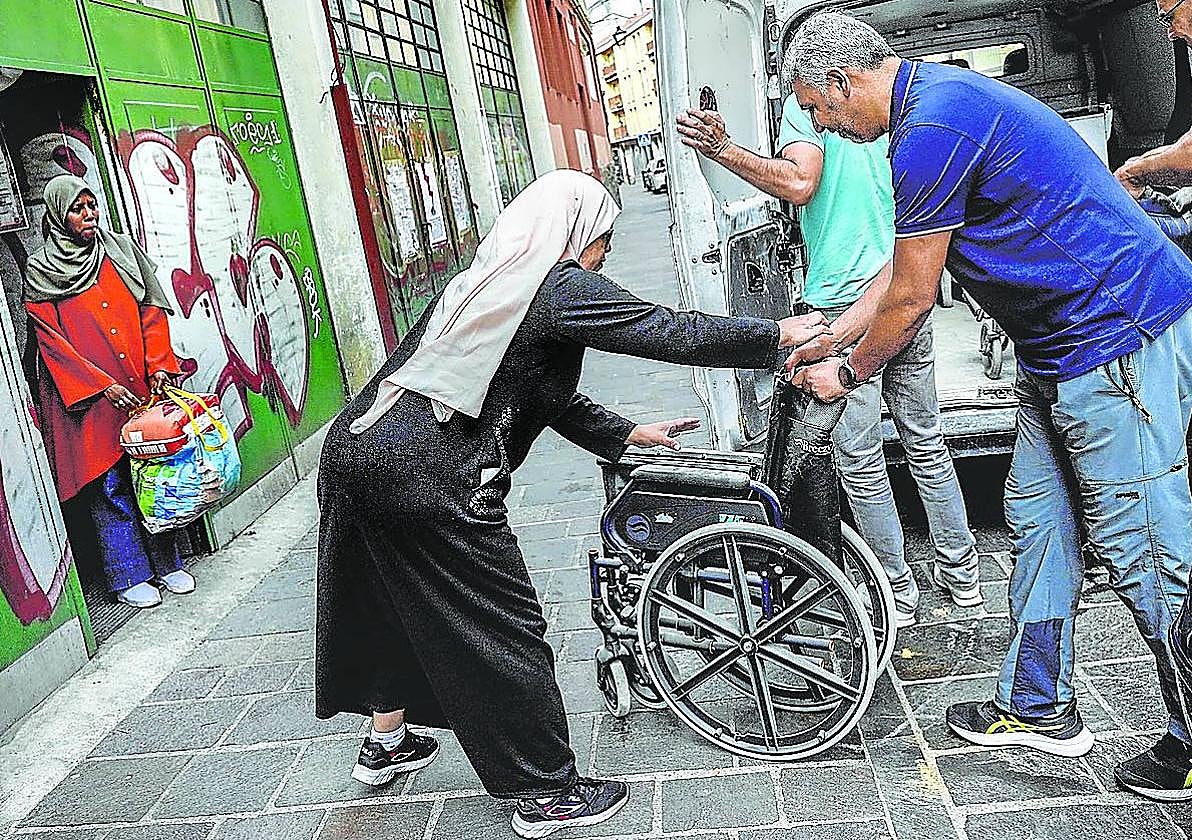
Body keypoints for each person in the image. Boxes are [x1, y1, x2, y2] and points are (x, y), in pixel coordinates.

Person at [314, 169, 824, 838]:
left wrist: (622, 433)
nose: (605, 254)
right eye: (604, 238)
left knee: (390, 600)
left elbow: (531, 386)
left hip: (355, 456)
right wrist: (777, 335)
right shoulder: (558, 287)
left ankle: (387, 742)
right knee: (503, 627)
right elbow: (663, 329)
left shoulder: (486, 281)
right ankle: (545, 793)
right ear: (575, 232)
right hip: (428, 478)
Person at [783, 11, 1192, 802]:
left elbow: (912, 299)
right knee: (1039, 521)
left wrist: (849, 374)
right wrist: (832, 334)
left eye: (817, 108)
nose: (820, 125)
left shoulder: (932, 128)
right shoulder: (932, 108)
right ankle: (1039, 704)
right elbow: (901, 268)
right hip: (1058, 351)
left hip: (1114, 339)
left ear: (841, 81)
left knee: (1146, 550)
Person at [674, 60, 981, 628]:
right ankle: (964, 580)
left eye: (815, 105)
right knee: (927, 443)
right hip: (902, 282)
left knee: (861, 461)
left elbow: (799, 183)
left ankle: (896, 591)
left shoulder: (807, 106)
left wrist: (724, 151)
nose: (816, 116)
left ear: (825, 84)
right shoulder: (894, 107)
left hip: (844, 299)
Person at [24, 174, 191, 609]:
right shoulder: (41, 271)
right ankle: (129, 574)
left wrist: (159, 366)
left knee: (153, 478)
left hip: (138, 389)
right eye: (77, 209)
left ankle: (168, 564)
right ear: (58, 216)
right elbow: (51, 343)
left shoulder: (120, 251)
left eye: (92, 205)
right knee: (111, 486)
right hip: (91, 403)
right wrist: (100, 386)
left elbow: (151, 311)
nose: (89, 215)